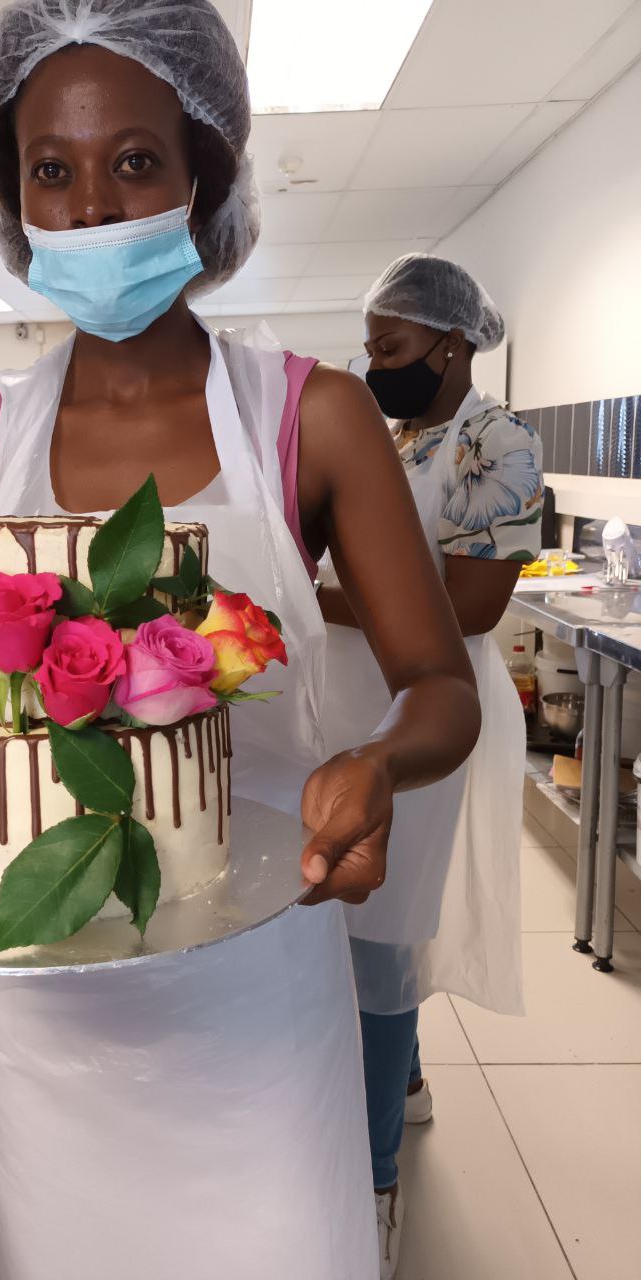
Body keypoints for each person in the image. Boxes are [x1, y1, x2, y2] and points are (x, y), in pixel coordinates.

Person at [0, 6, 481, 1277]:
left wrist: (380, 761)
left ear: (203, 178)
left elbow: (442, 681)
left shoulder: (314, 419)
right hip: (41, 1013)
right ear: (14, 200)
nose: (90, 207)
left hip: (256, 1002)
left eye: (135, 161)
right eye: (50, 170)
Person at [317, 253, 543, 1276]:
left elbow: (472, 610)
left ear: (450, 344)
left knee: (383, 919)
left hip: (432, 702)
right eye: (369, 347)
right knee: (364, 907)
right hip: (354, 689)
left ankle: (374, 1182)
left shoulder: (499, 443)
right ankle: (404, 1078)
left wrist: (307, 601)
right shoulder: (396, 433)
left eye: (391, 346)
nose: (375, 365)